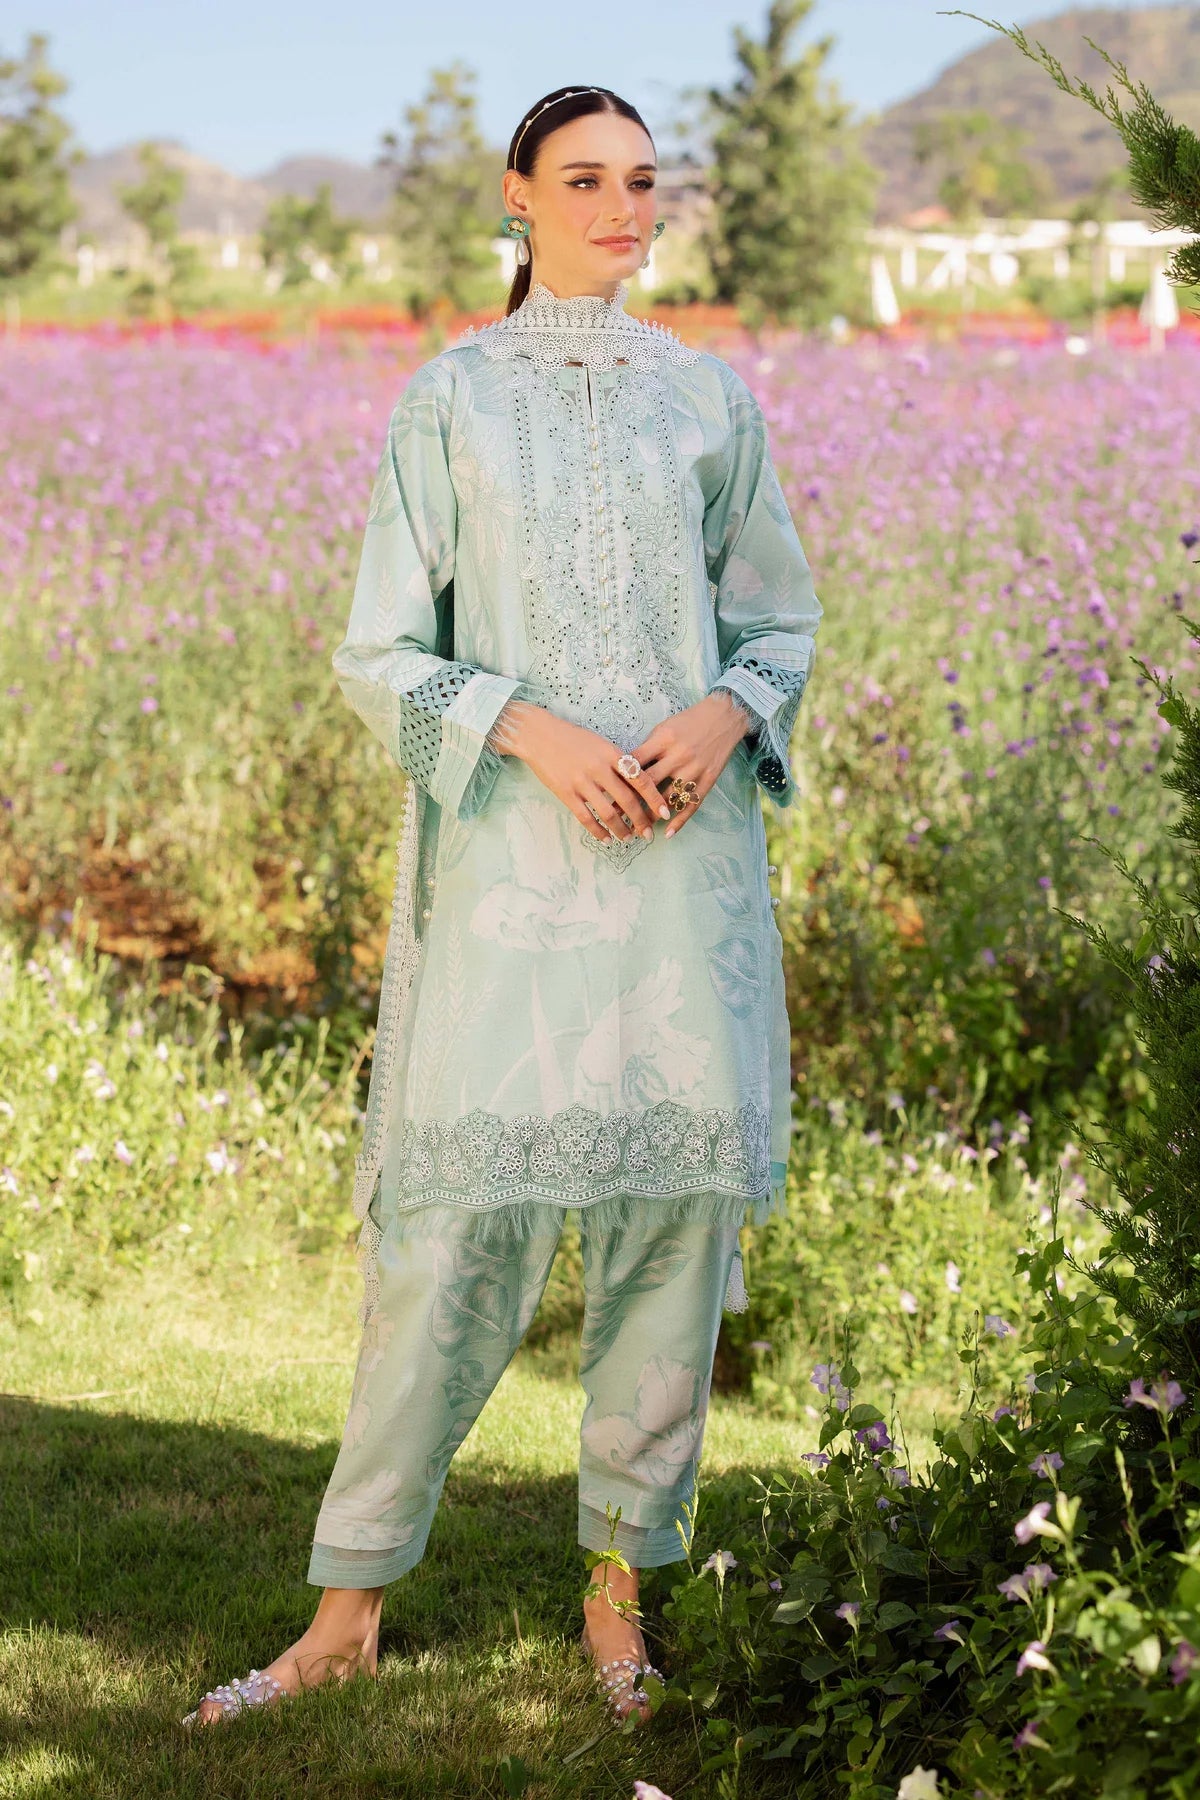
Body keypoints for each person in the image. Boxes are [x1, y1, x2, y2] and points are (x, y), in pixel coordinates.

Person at [184, 82, 822, 1732]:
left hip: (684, 877)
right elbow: (379, 650)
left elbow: (779, 623)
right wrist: (528, 730)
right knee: (454, 1239)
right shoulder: (451, 400)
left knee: (670, 1231)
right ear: (518, 196)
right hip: (511, 876)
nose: (624, 209)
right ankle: (346, 1612)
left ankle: (618, 1611)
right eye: (586, 179)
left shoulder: (709, 400)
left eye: (644, 181)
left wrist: (724, 713)